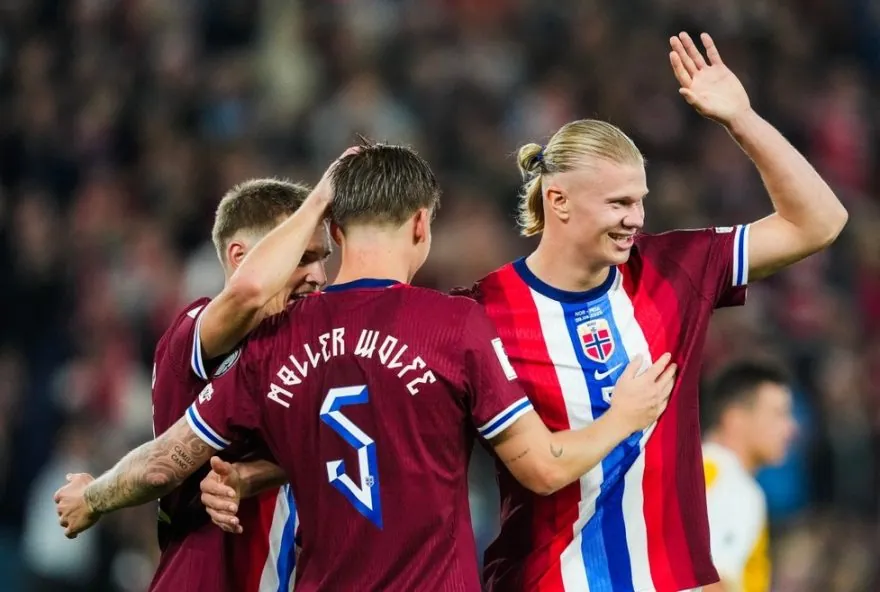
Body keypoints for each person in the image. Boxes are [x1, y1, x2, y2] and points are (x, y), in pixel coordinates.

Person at [54, 143, 677, 591]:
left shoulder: (272, 342)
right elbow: (542, 468)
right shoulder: (451, 325)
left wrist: (98, 497)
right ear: (421, 224)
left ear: (338, 233)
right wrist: (624, 416)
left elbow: (165, 459)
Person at [469, 32, 847, 592]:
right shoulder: (482, 312)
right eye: (619, 202)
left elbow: (819, 222)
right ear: (558, 201)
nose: (635, 218)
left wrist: (742, 120)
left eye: (640, 199)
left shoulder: (675, 269)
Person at [106, 160, 340, 592]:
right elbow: (248, 294)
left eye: (324, 259)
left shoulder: (305, 355)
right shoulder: (193, 335)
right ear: (240, 257)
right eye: (302, 258)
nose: (320, 277)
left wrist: (251, 476)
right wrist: (322, 197)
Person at [700, 360, 796, 592]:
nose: (791, 428)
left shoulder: (695, 470)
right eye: (778, 414)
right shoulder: (734, 487)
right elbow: (712, 584)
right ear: (735, 419)